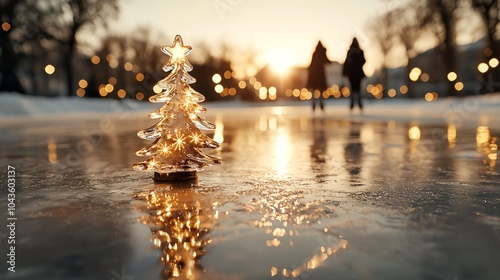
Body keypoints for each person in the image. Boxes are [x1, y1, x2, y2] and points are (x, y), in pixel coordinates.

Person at [343, 38, 366, 110]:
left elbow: (346, 62)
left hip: (351, 73)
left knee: (353, 88)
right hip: (358, 73)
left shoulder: (350, 51)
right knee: (358, 88)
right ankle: (359, 104)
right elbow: (363, 61)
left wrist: (345, 71)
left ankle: (352, 104)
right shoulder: (360, 51)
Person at [307, 41, 330, 111]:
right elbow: (327, 61)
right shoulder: (322, 53)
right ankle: (321, 103)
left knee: (314, 90)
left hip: (314, 74)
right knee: (320, 90)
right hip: (320, 74)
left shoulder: (315, 53)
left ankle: (314, 104)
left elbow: (311, 63)